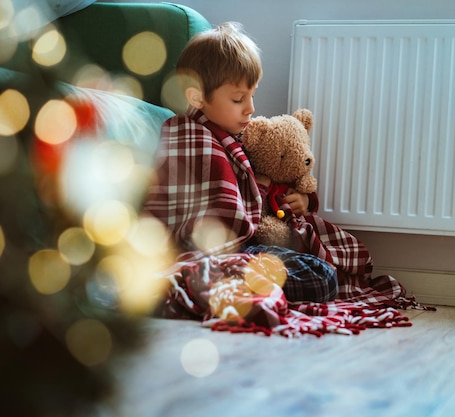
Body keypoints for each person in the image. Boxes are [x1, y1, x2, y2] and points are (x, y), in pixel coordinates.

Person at [143, 22, 338, 304]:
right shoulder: (190, 135)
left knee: (323, 270)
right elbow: (212, 217)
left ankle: (226, 284)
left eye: (252, 95)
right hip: (215, 251)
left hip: (241, 248)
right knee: (321, 279)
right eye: (238, 98)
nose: (251, 108)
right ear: (197, 97)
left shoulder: (232, 137)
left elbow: (274, 172)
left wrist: (303, 201)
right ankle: (215, 282)